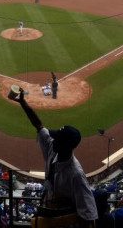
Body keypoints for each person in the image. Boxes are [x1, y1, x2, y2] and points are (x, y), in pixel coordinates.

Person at [9, 89, 97, 224]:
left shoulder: (76, 175)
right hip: (50, 209)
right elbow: (39, 126)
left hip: (65, 218)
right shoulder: (54, 148)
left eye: (58, 140)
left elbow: (88, 213)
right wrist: (23, 103)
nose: (53, 140)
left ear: (67, 146)